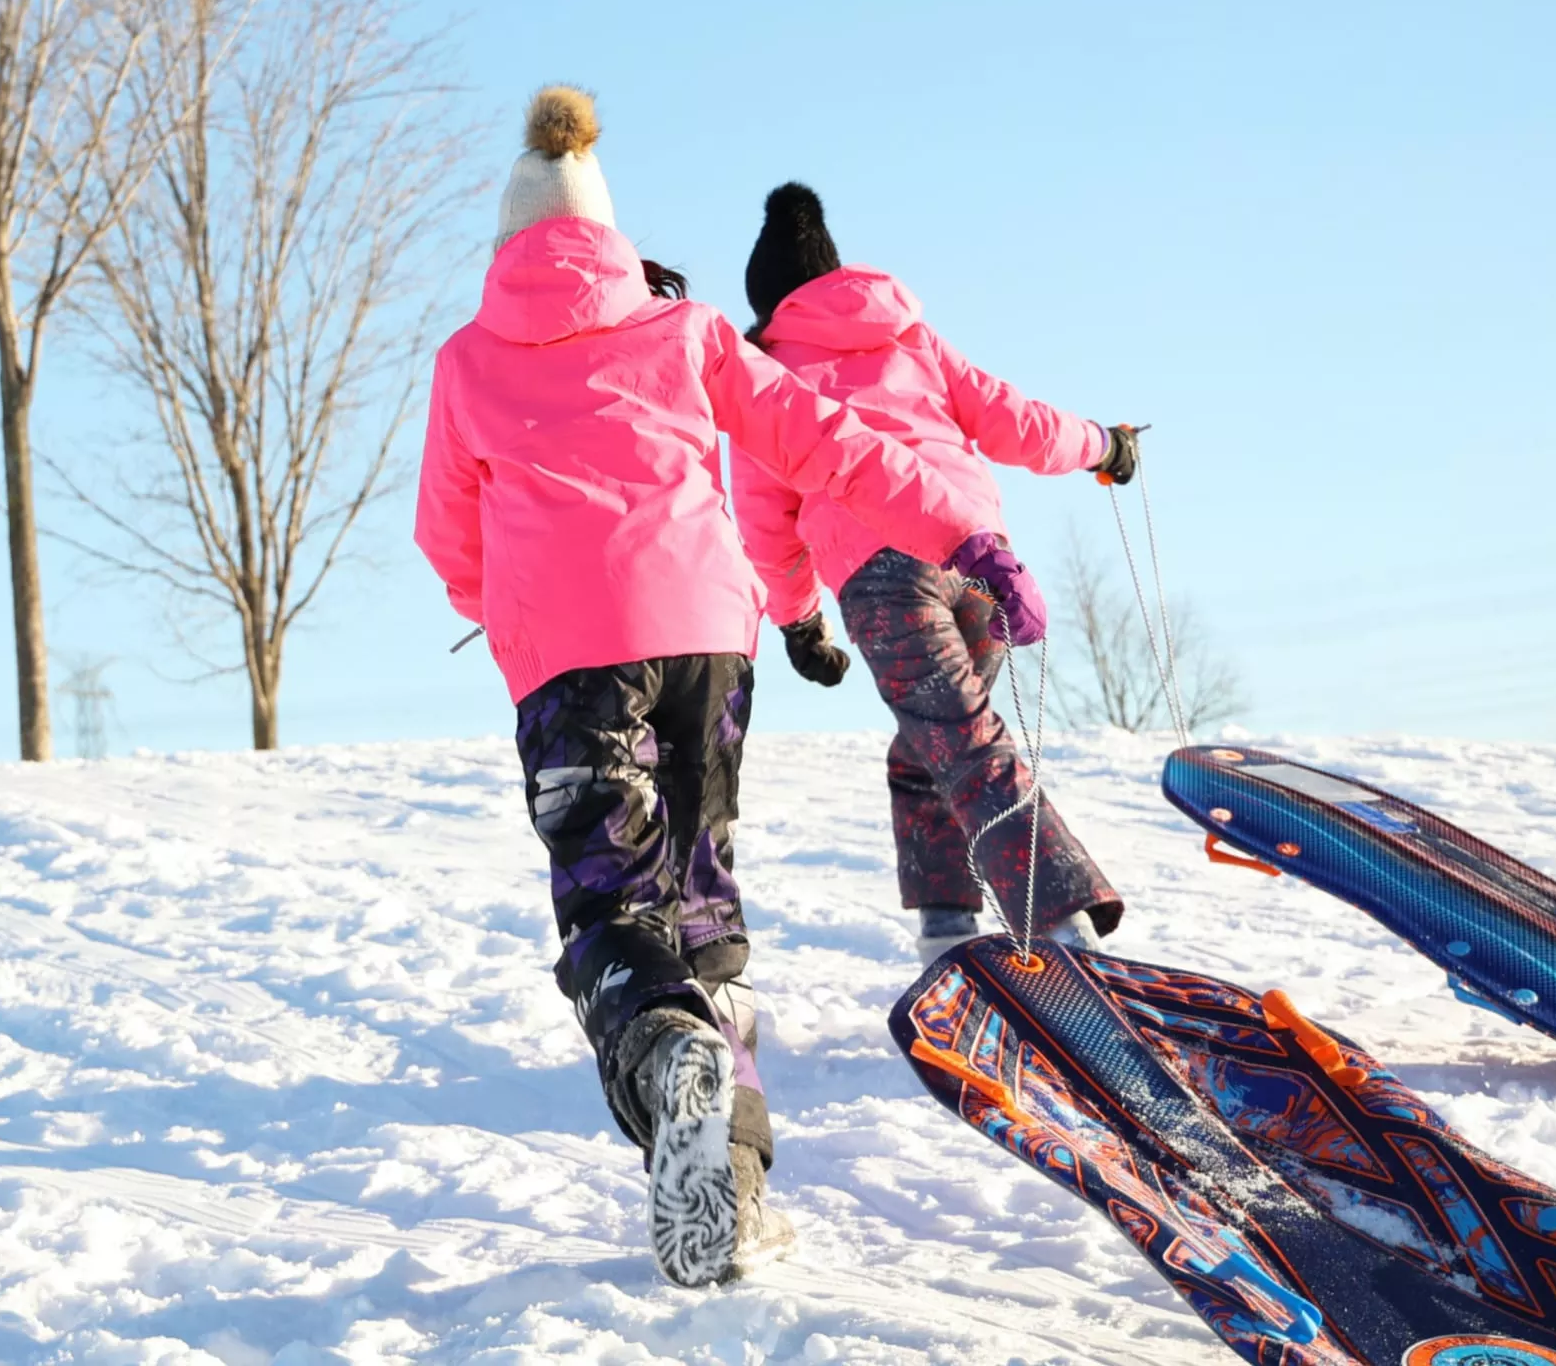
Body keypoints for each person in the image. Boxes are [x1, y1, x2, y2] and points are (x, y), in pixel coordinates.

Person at [414, 88, 1005, 1287]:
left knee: (614, 911)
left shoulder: (469, 359)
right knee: (699, 906)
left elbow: (447, 539)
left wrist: (503, 609)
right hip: (706, 642)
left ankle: (666, 1050)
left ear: (507, 242)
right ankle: (731, 1190)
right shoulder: (686, 334)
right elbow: (826, 439)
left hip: (573, 663)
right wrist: (966, 531)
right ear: (611, 235)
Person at [732, 182, 1139, 964]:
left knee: (960, 743)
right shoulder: (912, 339)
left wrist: (798, 623)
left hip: (884, 577)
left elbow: (765, 520)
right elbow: (1017, 421)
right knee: (931, 745)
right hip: (975, 562)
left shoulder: (770, 377)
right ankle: (948, 922)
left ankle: (1066, 927)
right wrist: (1105, 445)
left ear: (769, 303)